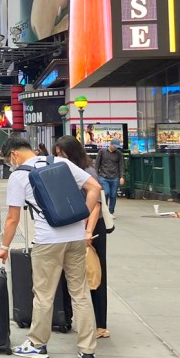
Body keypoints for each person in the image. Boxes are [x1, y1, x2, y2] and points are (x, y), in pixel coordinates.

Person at [0, 136, 102, 358]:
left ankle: (38, 344)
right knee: (79, 293)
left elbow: (13, 219)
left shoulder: (19, 175)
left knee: (44, 294)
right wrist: (81, 218)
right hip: (76, 239)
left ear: (13, 154)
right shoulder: (60, 163)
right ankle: (87, 351)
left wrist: (4, 248)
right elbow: (95, 188)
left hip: (48, 240)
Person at [55, 135, 110, 338]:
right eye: (57, 154)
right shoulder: (68, 171)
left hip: (92, 228)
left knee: (95, 274)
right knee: (74, 274)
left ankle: (100, 325)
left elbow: (95, 205)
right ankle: (68, 318)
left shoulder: (87, 172)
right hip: (76, 226)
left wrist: (87, 231)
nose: (59, 157)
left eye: (62, 153)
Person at [94, 139, 124, 216]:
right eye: (114, 146)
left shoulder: (119, 153)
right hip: (103, 176)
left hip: (115, 176)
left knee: (113, 195)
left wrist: (121, 176)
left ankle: (111, 212)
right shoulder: (102, 152)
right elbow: (97, 164)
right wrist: (96, 176)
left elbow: (121, 165)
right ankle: (105, 209)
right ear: (111, 144)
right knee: (106, 192)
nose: (115, 148)